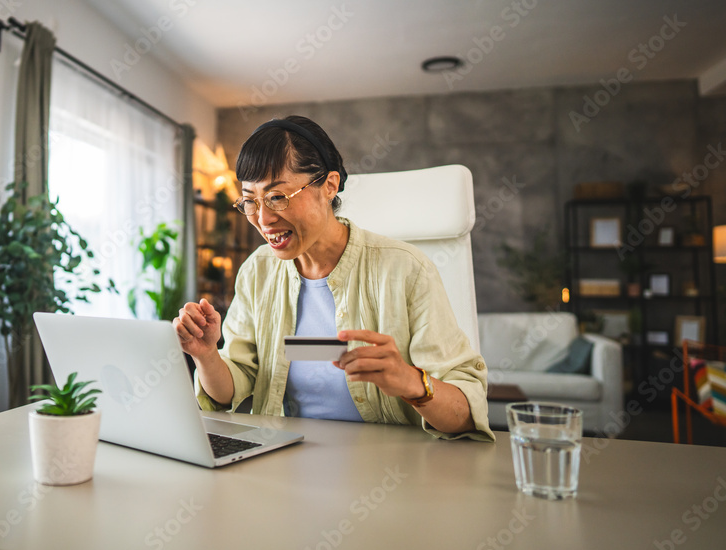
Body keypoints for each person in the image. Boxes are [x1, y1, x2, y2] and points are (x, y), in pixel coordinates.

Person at [173, 116, 493, 441]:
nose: (264, 219)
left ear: (328, 186)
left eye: (277, 197)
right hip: (283, 464)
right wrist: (206, 354)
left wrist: (413, 382)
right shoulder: (259, 270)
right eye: (251, 201)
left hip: (389, 472)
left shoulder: (407, 269)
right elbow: (233, 386)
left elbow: (466, 413)